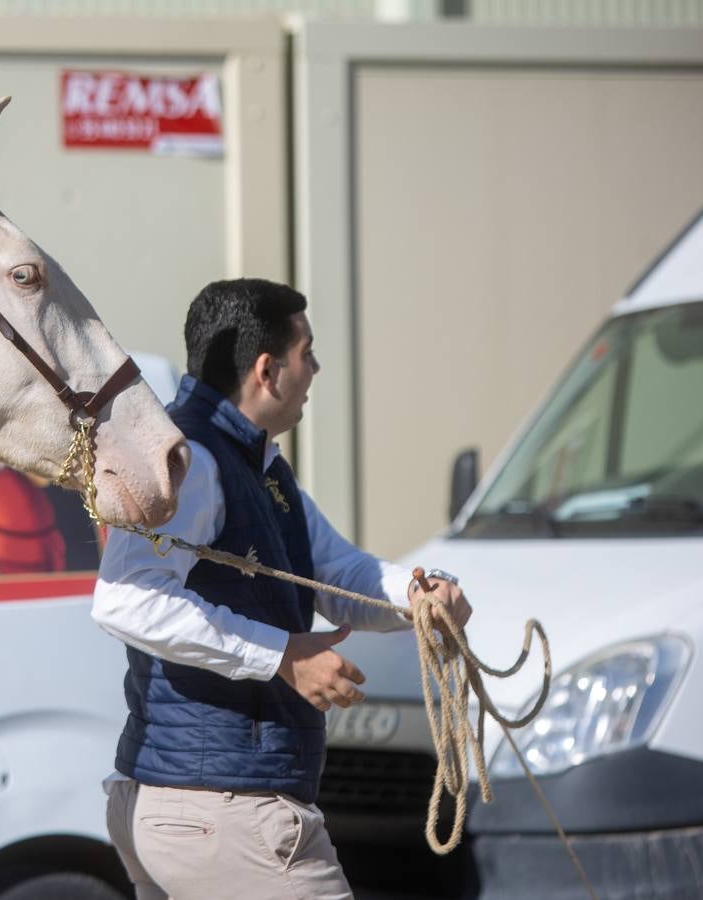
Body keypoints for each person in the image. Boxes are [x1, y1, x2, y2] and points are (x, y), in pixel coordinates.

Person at [92, 278, 471, 899]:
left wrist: (422, 595)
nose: (316, 369)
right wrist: (283, 655)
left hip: (191, 812)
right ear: (268, 371)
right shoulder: (196, 463)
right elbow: (125, 600)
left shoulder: (258, 467)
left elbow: (341, 574)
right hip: (224, 815)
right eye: (308, 353)